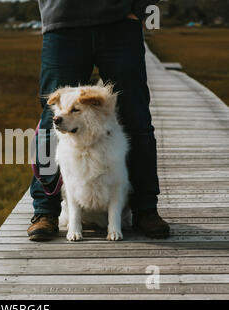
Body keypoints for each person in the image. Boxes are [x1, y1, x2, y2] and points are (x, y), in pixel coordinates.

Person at [28, 0, 170, 241]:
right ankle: (45, 211)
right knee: (51, 119)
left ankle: (145, 209)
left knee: (137, 119)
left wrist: (141, 8)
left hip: (120, 23)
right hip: (62, 22)